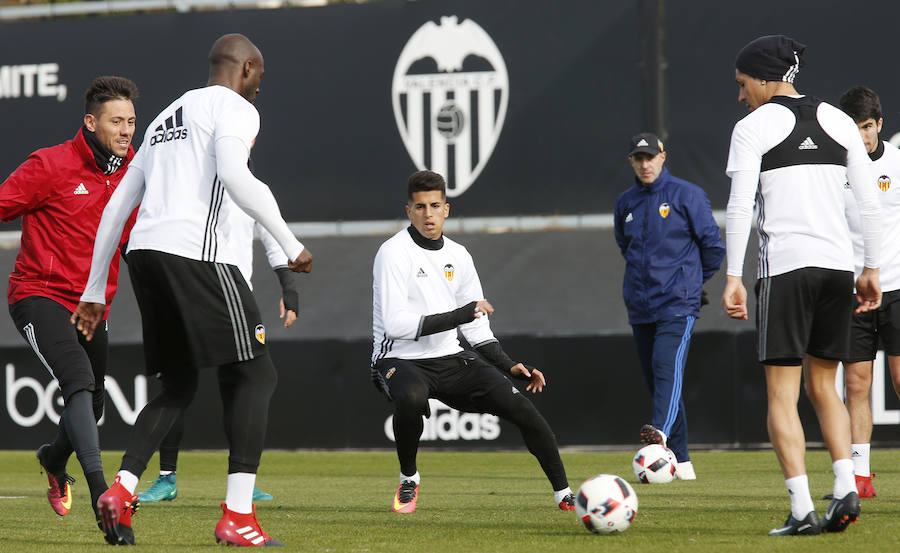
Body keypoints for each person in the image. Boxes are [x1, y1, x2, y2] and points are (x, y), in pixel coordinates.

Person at [72, 33, 312, 546]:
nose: (258, 89)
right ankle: (238, 515)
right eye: (259, 79)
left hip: (145, 255)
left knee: (178, 384)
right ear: (247, 68)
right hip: (197, 257)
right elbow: (238, 176)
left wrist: (96, 289)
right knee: (256, 375)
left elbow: (116, 208)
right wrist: (291, 245)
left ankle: (121, 489)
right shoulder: (235, 108)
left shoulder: (163, 119)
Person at [722, 35, 881, 536]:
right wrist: (871, 268)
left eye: (743, 84)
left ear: (767, 80)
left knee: (782, 395)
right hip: (838, 269)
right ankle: (846, 490)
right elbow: (867, 203)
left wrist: (732, 276)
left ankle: (801, 509)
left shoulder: (752, 127)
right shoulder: (838, 119)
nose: (740, 94)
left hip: (787, 269)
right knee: (824, 386)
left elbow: (740, 206)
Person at [370, 169, 575, 514]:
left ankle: (565, 495)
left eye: (435, 205)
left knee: (523, 409)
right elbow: (395, 326)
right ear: (409, 211)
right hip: (398, 359)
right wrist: (459, 316)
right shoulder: (392, 253)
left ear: (446, 209)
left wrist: (509, 365)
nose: (428, 214)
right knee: (412, 396)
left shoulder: (460, 256)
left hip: (449, 358)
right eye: (420, 207)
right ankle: (409, 478)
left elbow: (477, 327)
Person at [0, 76, 138, 524]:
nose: (125, 130)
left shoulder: (135, 171)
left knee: (93, 403)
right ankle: (104, 498)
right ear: (90, 122)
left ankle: (53, 459)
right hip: (38, 295)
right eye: (116, 121)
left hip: (92, 307)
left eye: (131, 122)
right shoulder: (49, 165)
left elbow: (140, 236)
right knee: (78, 379)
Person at [137, 215, 299, 504]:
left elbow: (274, 240)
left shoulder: (248, 188)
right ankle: (166, 477)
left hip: (236, 297)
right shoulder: (195, 187)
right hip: (192, 292)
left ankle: (241, 482)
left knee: (239, 385)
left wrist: (290, 290)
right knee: (177, 384)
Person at [613, 132, 725, 480]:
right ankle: (684, 461)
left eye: (650, 157)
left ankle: (658, 439)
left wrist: (693, 283)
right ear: (631, 161)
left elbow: (713, 248)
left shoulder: (686, 194)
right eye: (638, 158)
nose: (645, 164)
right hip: (640, 304)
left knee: (666, 368)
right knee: (659, 383)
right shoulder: (626, 202)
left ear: (663, 157)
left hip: (678, 301)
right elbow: (625, 246)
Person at [835, 85, 900, 499]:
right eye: (852, 127)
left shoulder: (897, 163)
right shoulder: (833, 168)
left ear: (879, 124)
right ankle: (860, 479)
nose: (860, 136)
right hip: (852, 291)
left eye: (866, 127)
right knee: (856, 384)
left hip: (896, 287)